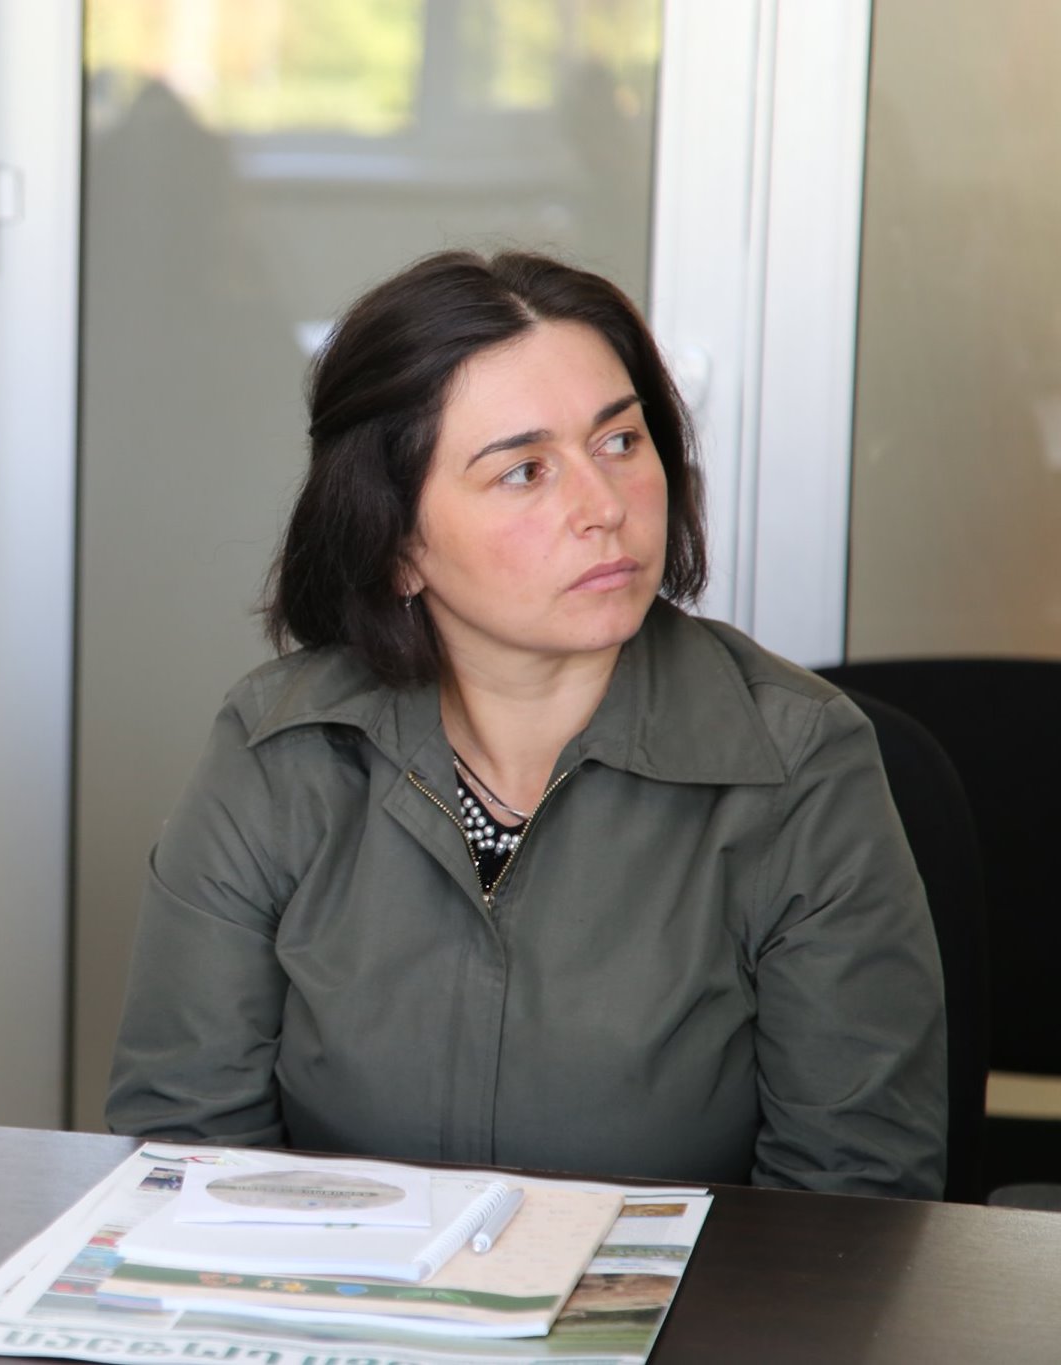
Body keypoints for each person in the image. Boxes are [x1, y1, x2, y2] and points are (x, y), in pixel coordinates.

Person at [106, 250, 947, 1198]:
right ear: (397, 544)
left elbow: (851, 1200)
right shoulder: (279, 746)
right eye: (525, 471)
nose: (604, 507)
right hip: (333, 1289)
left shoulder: (799, 765)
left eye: (620, 441)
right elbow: (185, 1147)